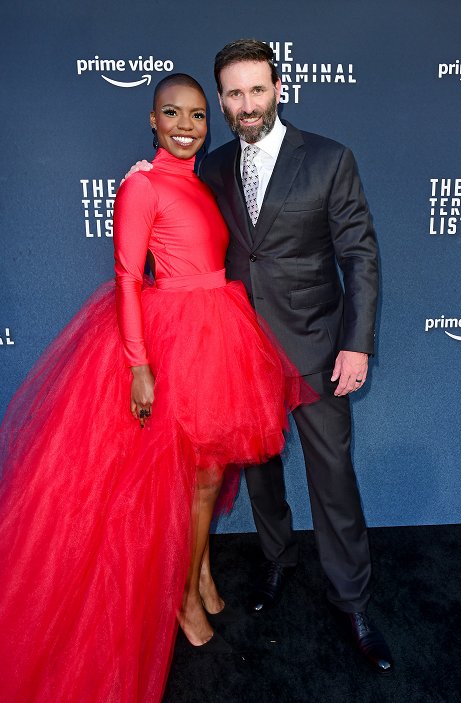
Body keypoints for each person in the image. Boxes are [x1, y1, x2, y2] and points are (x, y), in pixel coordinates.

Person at [0, 74, 315, 703]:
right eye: (171, 113)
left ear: (209, 122)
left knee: (209, 469)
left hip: (218, 329)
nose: (184, 125)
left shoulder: (199, 183)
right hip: (169, 339)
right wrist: (139, 364)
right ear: (151, 119)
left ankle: (198, 573)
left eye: (197, 115)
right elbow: (125, 276)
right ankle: (177, 596)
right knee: (190, 477)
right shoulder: (140, 185)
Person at [126, 40, 394, 674]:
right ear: (221, 101)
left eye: (257, 90)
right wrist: (144, 175)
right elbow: (169, 227)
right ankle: (276, 563)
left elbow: (360, 256)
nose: (246, 105)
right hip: (237, 354)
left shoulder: (329, 158)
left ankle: (352, 600)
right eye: (234, 94)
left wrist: (356, 342)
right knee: (262, 477)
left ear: (279, 89)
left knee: (334, 481)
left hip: (318, 348)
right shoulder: (210, 167)